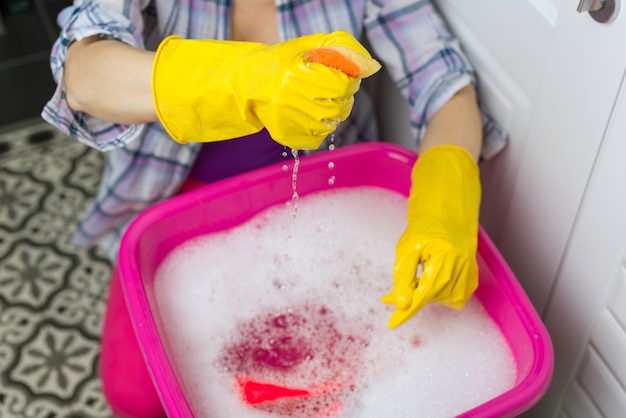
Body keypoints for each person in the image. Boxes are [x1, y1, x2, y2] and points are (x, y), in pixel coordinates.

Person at [42, 0, 506, 416]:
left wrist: (446, 199)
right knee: (135, 396)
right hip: (174, 201)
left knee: (334, 384)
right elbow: (82, 75)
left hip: (316, 197)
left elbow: (445, 87)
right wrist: (246, 79)